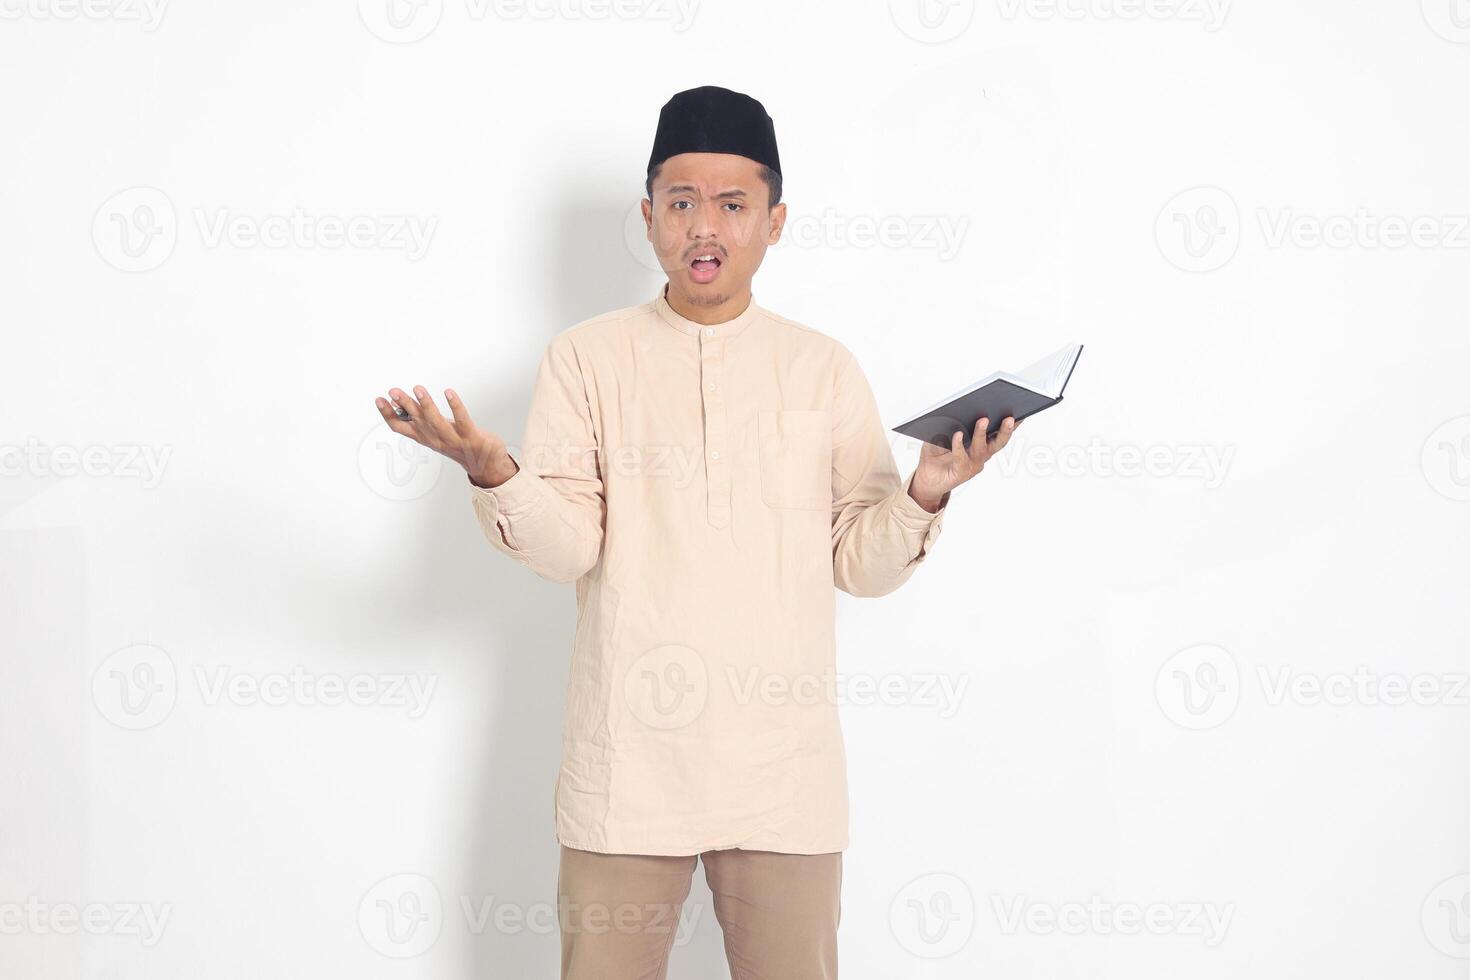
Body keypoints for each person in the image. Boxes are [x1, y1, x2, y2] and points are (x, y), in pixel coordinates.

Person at [374, 84, 1020, 980]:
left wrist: (924, 492)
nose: (704, 227)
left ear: (775, 220)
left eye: (732, 204)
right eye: (681, 203)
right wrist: (498, 472)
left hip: (781, 774)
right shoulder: (586, 358)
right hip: (627, 767)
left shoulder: (821, 369)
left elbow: (858, 566)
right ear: (648, 218)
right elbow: (570, 548)